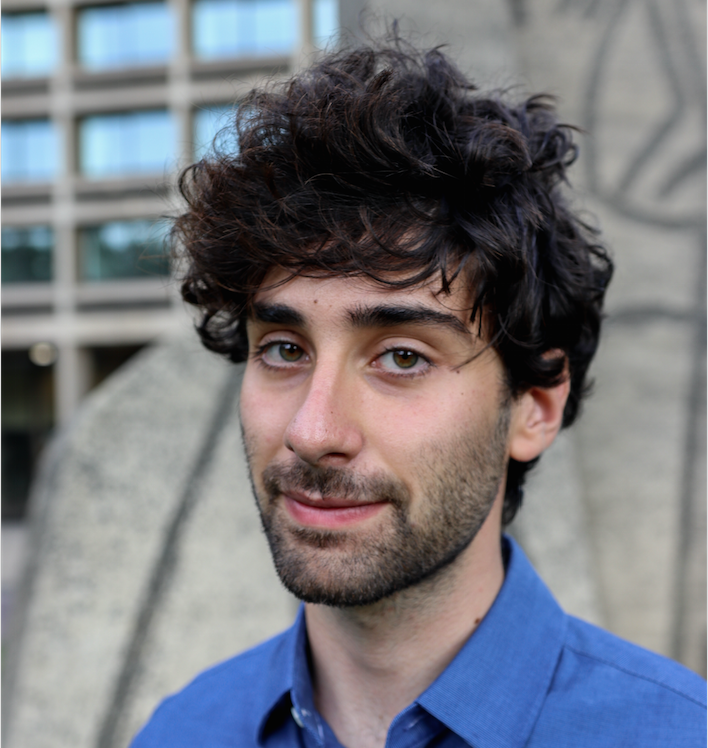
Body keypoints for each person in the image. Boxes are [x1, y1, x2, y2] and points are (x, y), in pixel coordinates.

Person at [132, 40, 706, 748]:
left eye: (402, 357)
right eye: (284, 349)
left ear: (536, 406)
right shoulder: (182, 732)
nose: (314, 431)